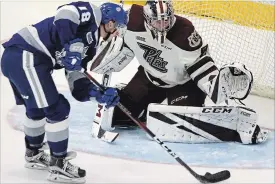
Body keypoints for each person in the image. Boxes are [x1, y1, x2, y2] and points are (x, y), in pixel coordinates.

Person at [98, 0, 268, 145]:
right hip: (149, 78)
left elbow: (201, 66)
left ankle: (232, 130)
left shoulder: (184, 31)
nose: (163, 25)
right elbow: (110, 28)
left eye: (166, 20)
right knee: (118, 115)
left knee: (179, 122)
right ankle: (141, 109)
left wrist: (216, 87)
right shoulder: (131, 21)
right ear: (147, 19)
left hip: (183, 85)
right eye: (157, 21)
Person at [0, 1, 132, 183]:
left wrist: (97, 93)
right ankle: (58, 164)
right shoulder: (92, 14)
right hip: (25, 55)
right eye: (118, 27)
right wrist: (71, 44)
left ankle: (33, 153)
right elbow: (65, 12)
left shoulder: (91, 48)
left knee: (37, 110)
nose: (117, 32)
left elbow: (76, 83)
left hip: (24, 60)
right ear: (110, 23)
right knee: (58, 109)